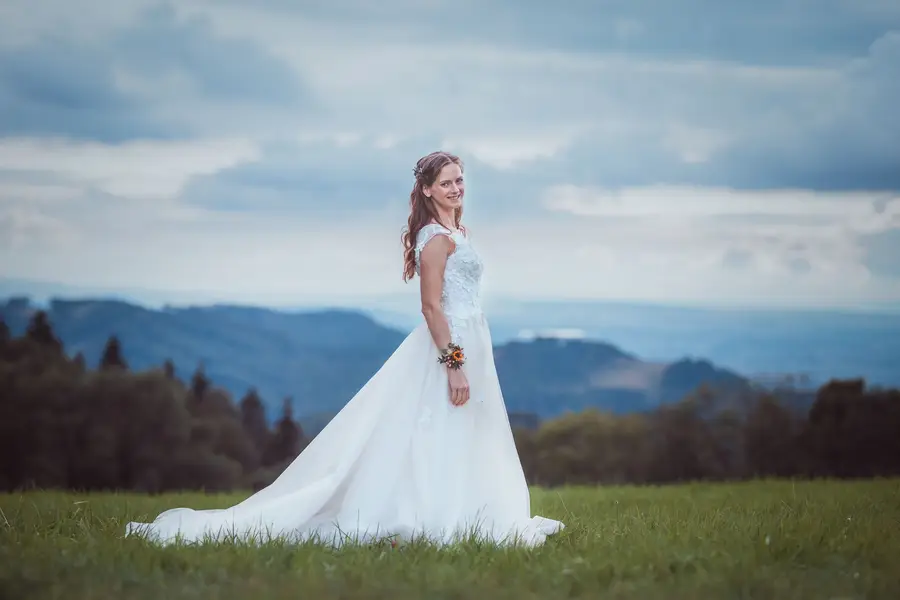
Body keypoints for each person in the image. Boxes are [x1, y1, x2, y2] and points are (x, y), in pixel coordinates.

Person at [125, 151, 565, 547]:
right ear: (428, 189)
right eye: (447, 182)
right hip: (449, 344)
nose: (456, 188)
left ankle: (471, 512)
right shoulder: (436, 240)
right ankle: (433, 516)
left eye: (460, 180)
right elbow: (431, 308)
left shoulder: (458, 231)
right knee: (439, 427)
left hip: (474, 338)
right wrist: (453, 365)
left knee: (469, 429)